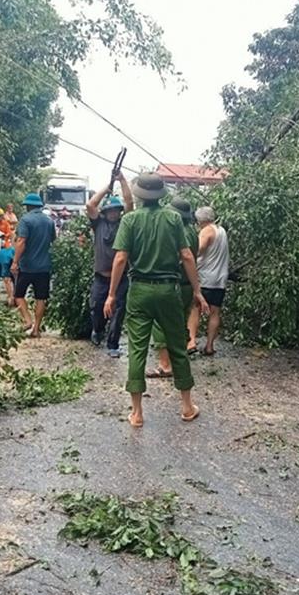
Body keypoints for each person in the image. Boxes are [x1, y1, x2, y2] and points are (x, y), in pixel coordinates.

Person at [104, 173, 209, 427]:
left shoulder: (130, 220)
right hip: (168, 290)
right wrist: (197, 290)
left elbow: (120, 259)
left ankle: (137, 413)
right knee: (177, 347)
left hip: (139, 291)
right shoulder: (173, 218)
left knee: (137, 349)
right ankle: (186, 406)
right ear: (160, 195)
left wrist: (111, 294)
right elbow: (186, 256)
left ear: (140, 195)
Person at [85, 170, 134, 357]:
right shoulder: (98, 224)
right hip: (101, 277)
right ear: (105, 212)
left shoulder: (126, 223)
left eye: (116, 210)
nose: (114, 213)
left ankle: (113, 344)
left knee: (118, 311)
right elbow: (90, 204)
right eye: (110, 210)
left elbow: (130, 203)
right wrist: (108, 186)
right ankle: (98, 330)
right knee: (96, 307)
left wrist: (122, 181)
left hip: (121, 278)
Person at [150, 197, 200, 375]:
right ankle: (179, 361)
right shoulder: (193, 231)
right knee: (179, 323)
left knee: (161, 323)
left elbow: (183, 258)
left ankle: (165, 365)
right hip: (187, 285)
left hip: (176, 283)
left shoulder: (181, 233)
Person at [12, 193, 56, 337]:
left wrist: (15, 262)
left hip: (27, 266)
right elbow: (53, 241)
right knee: (41, 298)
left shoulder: (25, 220)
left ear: (28, 206)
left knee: (18, 295)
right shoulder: (49, 221)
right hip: (44, 267)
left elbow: (21, 241)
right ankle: (36, 329)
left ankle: (27, 320)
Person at [190, 206, 230, 356]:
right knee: (215, 312)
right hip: (220, 279)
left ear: (200, 220)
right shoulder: (222, 231)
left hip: (205, 278)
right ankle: (209, 346)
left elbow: (198, 250)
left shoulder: (206, 231)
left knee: (195, 309)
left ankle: (191, 341)